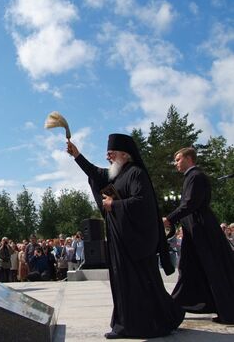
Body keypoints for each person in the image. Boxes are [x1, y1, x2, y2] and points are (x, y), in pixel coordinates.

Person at [67, 134, 184, 339]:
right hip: (120, 241)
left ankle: (146, 324)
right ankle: (128, 324)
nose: (107, 157)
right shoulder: (117, 175)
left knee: (141, 285)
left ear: (125, 154)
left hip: (135, 243)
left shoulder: (136, 173)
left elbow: (142, 203)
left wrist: (115, 205)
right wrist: (77, 155)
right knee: (124, 284)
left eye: (111, 153)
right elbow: (95, 173)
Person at [163, 147, 234, 324]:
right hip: (195, 231)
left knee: (213, 269)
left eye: (178, 159)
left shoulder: (196, 176)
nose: (175, 163)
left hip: (202, 231)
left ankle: (228, 312)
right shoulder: (192, 177)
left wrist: (169, 219)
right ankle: (178, 305)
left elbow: (190, 204)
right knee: (190, 268)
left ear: (189, 158)